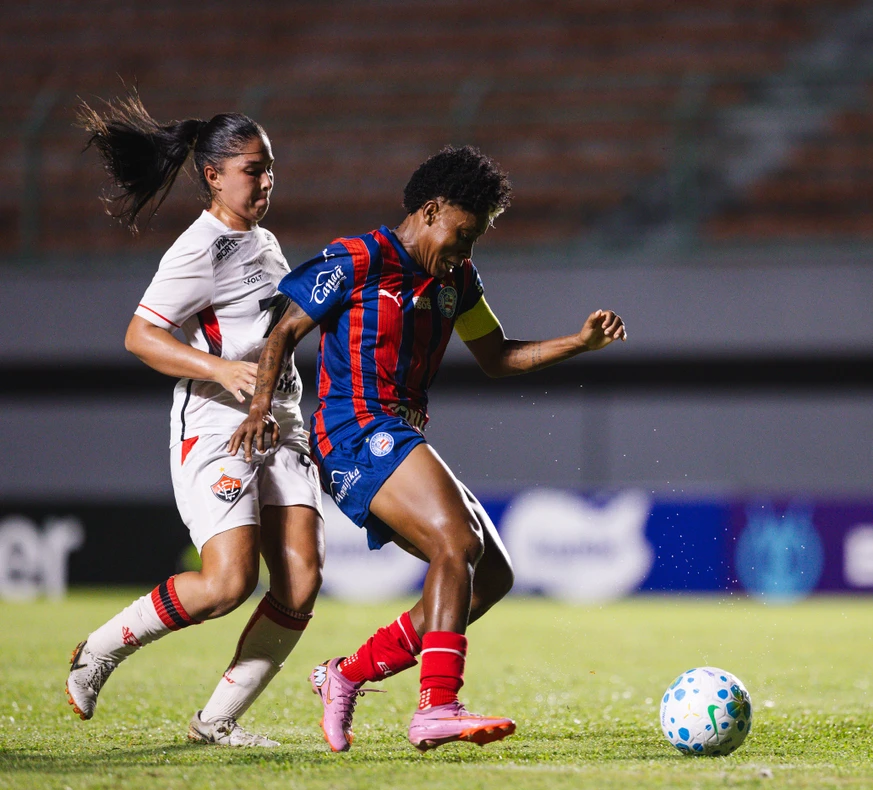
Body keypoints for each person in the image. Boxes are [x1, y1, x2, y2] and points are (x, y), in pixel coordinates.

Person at [229, 145, 626, 753]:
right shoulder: (359, 258)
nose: (467, 253)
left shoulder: (457, 281)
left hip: (399, 435)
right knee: (457, 543)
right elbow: (284, 331)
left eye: (476, 242)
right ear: (431, 210)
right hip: (355, 432)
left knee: (491, 574)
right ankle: (437, 707)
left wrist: (578, 342)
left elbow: (497, 357)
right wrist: (261, 411)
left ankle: (347, 674)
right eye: (463, 235)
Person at [65, 94, 323, 747]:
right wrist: (220, 371)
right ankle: (97, 650)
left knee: (301, 580)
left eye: (270, 168)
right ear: (214, 175)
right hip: (217, 422)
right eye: (252, 169)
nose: (265, 181)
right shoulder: (200, 248)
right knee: (228, 583)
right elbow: (141, 335)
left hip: (279, 421)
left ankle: (216, 722)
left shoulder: (259, 238)